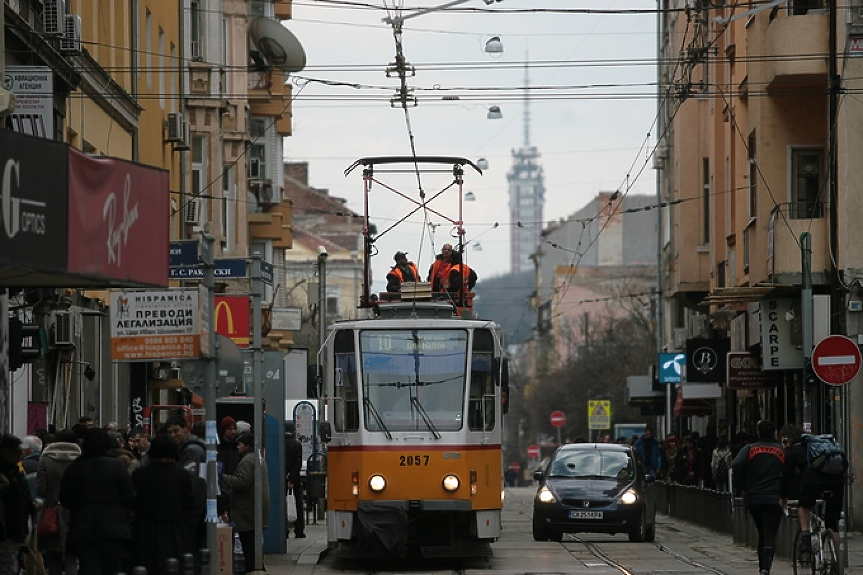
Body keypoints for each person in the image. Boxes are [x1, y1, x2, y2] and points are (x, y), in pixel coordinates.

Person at [60, 428, 135, 575]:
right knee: (112, 568)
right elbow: (129, 497)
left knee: (88, 567)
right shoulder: (117, 466)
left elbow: (65, 499)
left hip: (83, 526)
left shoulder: (75, 468)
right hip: (113, 526)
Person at [131, 433, 195, 575]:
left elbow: (135, 501)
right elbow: (188, 502)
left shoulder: (141, 474)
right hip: (175, 529)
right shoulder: (181, 475)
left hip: (146, 529)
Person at [731, 420, 785, 575]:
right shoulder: (781, 451)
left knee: (762, 531)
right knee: (770, 533)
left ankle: (762, 567)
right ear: (774, 433)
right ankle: (766, 566)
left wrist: (742, 487)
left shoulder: (750, 449)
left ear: (758, 433)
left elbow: (736, 465)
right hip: (774, 497)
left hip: (754, 497)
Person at [782, 429, 847, 557]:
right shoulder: (828, 448)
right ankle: (835, 560)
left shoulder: (796, 450)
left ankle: (805, 535)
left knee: (804, 506)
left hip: (813, 481)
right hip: (837, 481)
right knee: (833, 523)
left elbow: (786, 475)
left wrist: (783, 495)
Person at [220, 432, 270, 574]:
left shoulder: (247, 461)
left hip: (247, 512)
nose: (237, 447)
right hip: (254, 509)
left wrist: (222, 477)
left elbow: (242, 482)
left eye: (239, 444)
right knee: (254, 549)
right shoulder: (257, 459)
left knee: (249, 549)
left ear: (247, 445)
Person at [37, 429, 81, 575]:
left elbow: (41, 489)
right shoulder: (81, 460)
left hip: (52, 511)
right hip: (76, 512)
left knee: (53, 556)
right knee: (71, 557)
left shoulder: (46, 459)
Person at [166, 416, 207, 562]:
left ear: (186, 429)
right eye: (170, 432)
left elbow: (191, 482)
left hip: (192, 507)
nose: (173, 435)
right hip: (197, 505)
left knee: (189, 548)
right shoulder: (194, 448)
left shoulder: (190, 451)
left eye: (176, 431)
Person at [0, 434, 36, 572]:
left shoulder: (15, 471)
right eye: (16, 451)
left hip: (15, 531)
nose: (20, 454)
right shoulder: (7, 473)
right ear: (4, 451)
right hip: (6, 531)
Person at [285, 425, 305, 538]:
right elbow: (298, 463)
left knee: (283, 504)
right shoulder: (297, 444)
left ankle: (284, 531)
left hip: (282, 477)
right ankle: (299, 530)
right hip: (295, 478)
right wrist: (292, 478)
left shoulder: (280, 444)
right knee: (298, 504)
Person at [217, 416, 240, 518]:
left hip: (234, 486)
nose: (233, 431)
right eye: (230, 429)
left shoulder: (238, 447)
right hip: (221, 487)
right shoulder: (218, 447)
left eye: (234, 428)